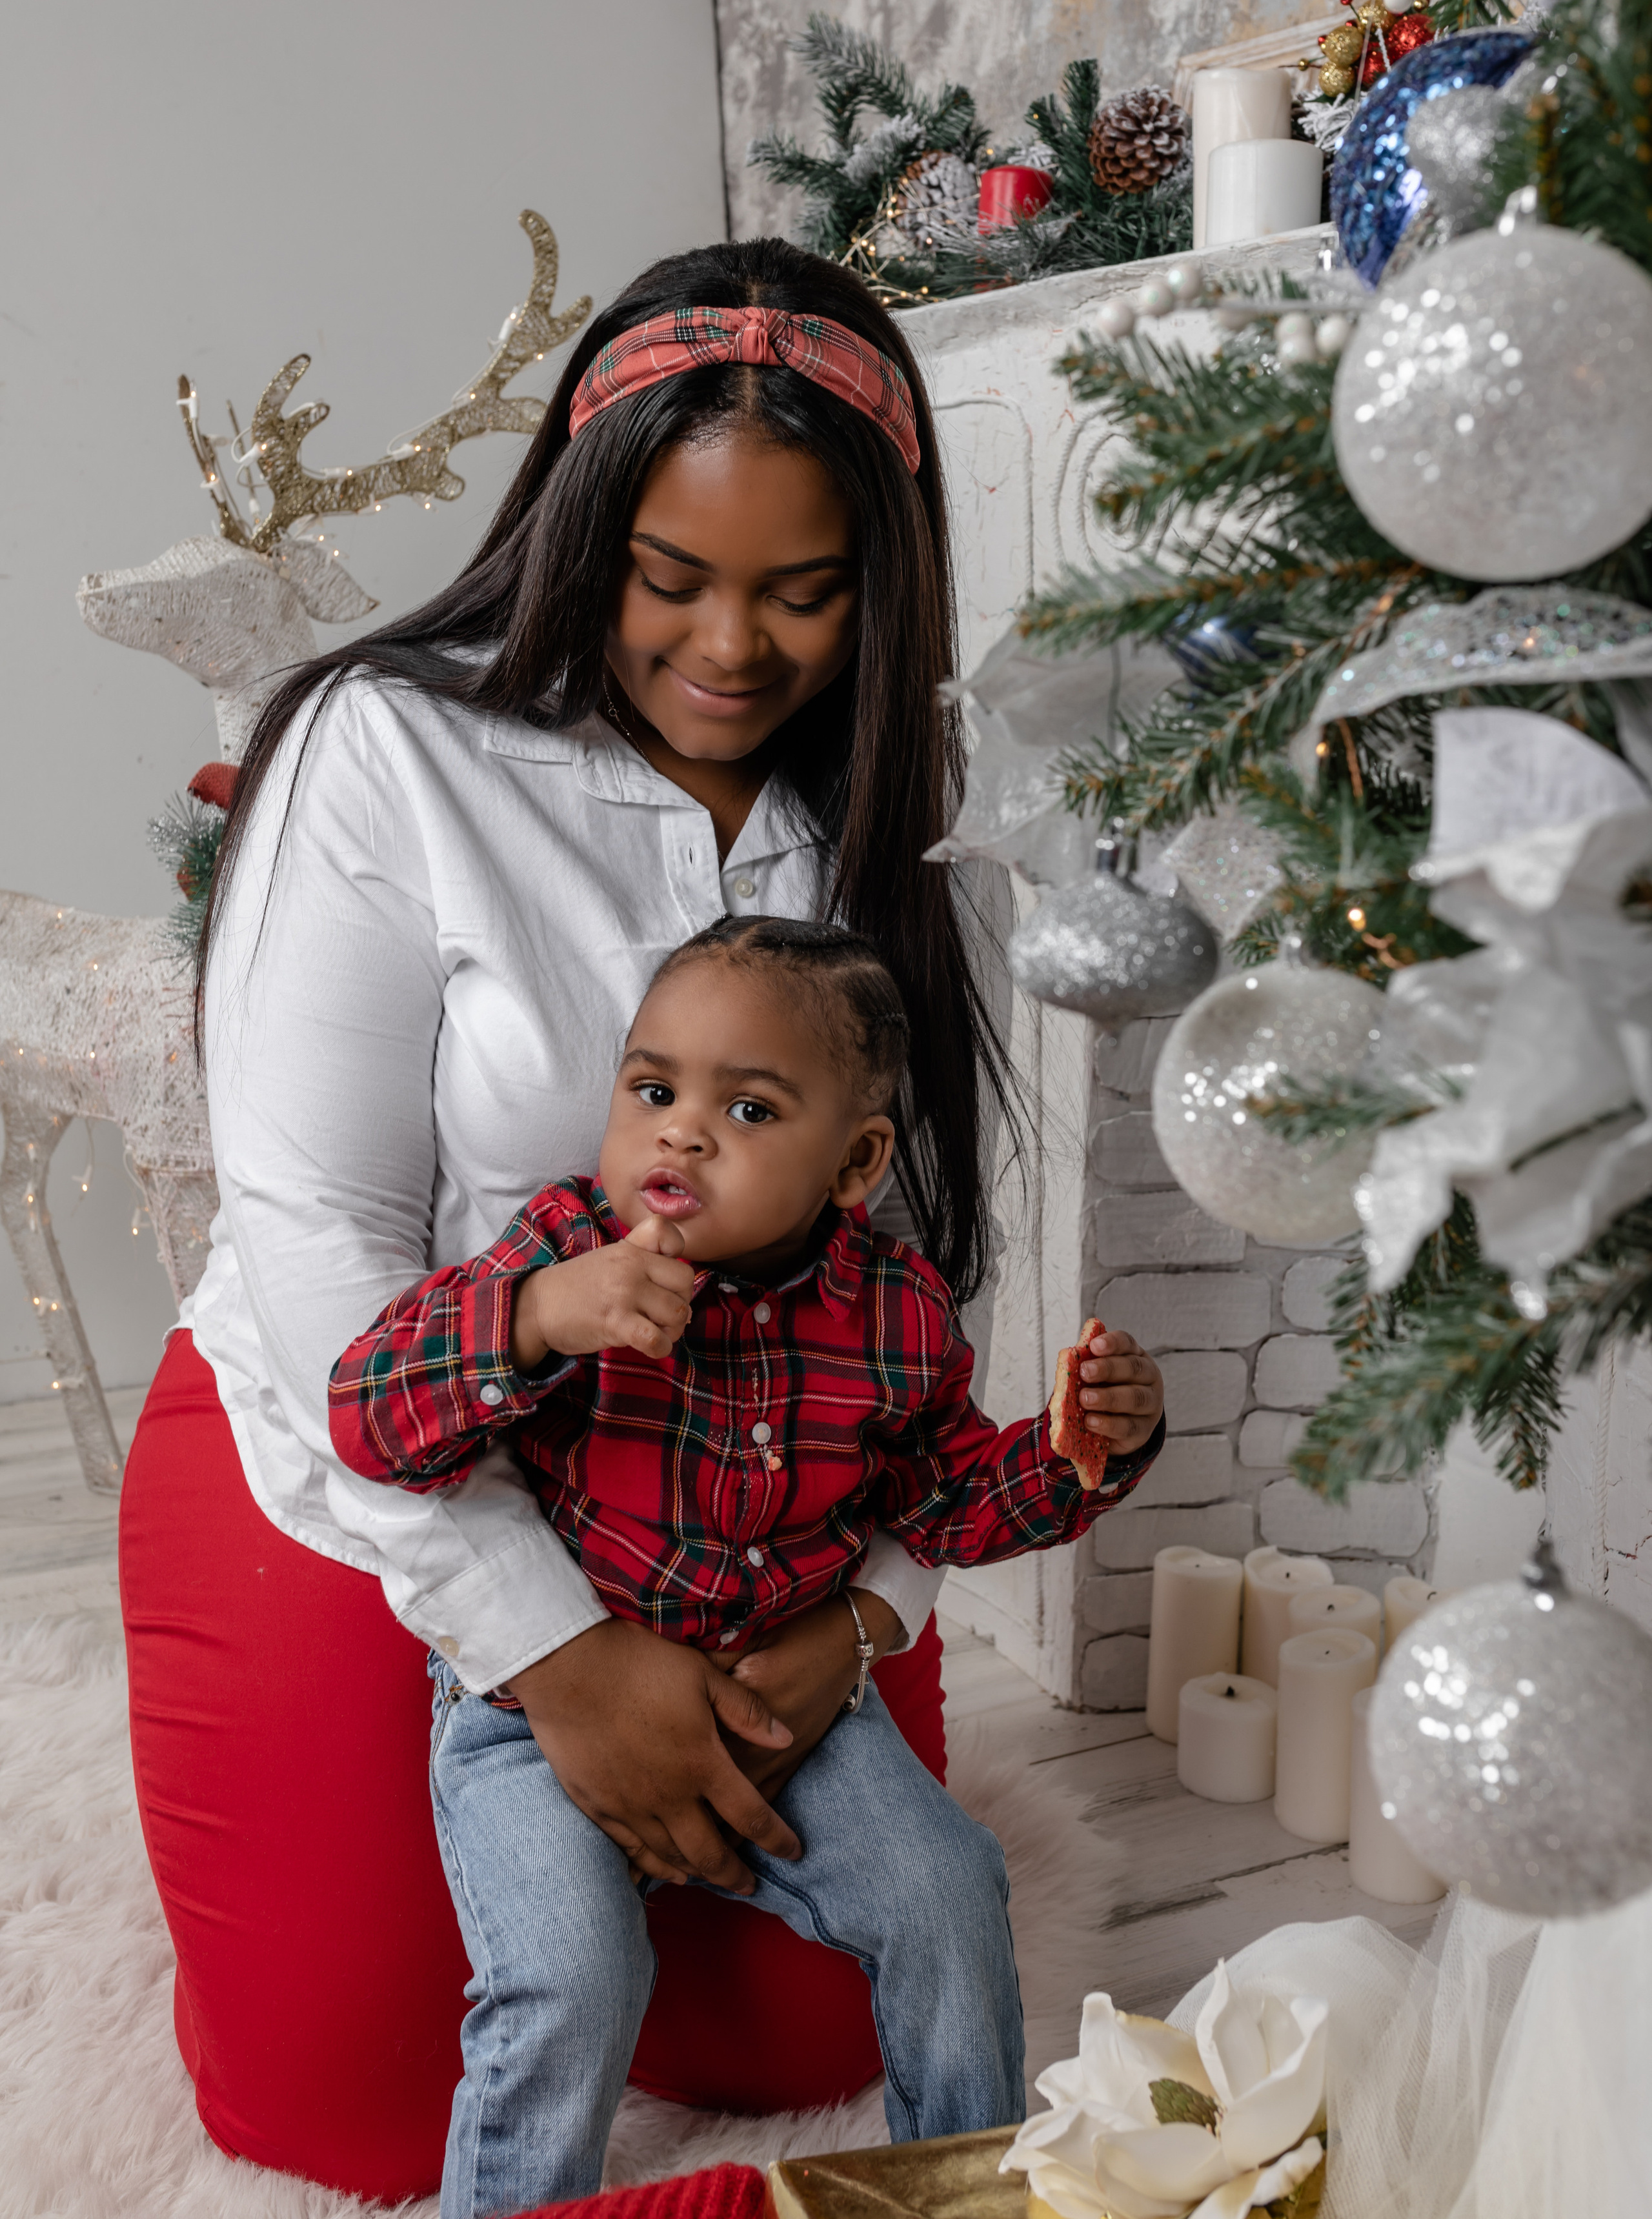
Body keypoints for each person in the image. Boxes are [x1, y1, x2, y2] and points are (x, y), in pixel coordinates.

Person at [118, 237, 1165, 2197]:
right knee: (354, 2111)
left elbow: (917, 1273)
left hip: (757, 1510)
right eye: (669, 577)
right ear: (580, 529)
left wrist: (862, 1615)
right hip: (389, 1461)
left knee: (832, 2030)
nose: (731, 648)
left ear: (882, 585)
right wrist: (555, 1658)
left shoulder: (900, 804)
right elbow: (327, 1235)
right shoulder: (385, 746)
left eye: (804, 592)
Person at [330, 912, 1165, 2217]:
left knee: (952, 1890)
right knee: (571, 1978)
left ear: (855, 1163)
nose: (679, 1135)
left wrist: (1077, 1455)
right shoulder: (563, 1248)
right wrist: (537, 1322)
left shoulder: (894, 1314)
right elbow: (368, 1419)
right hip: (530, 1721)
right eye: (652, 1090)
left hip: (789, 1708)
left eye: (750, 1109)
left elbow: (945, 1505)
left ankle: (962, 2187)